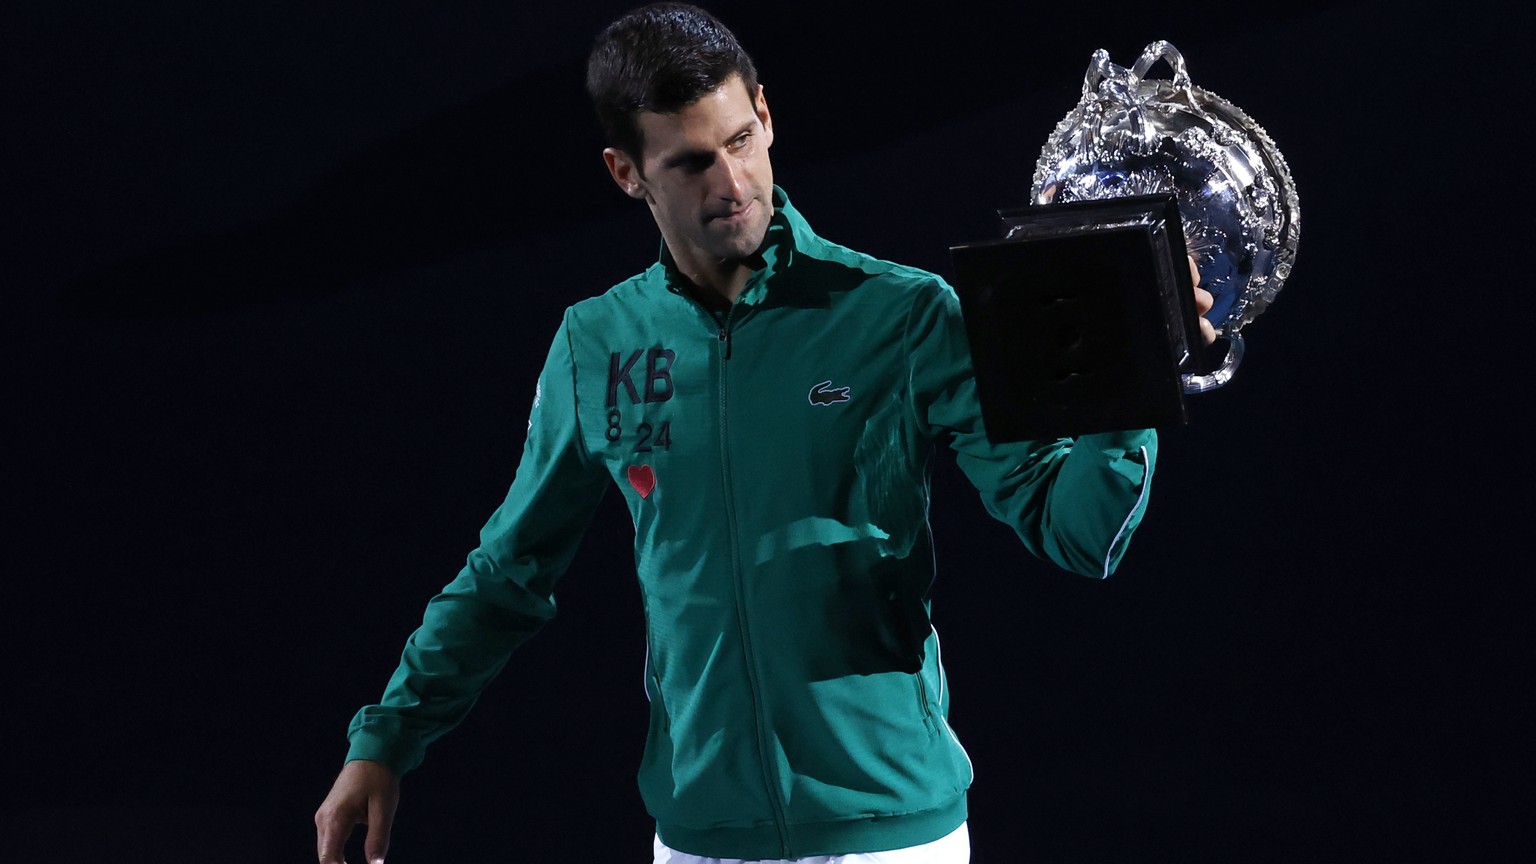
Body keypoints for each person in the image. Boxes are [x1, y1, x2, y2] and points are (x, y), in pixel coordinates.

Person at [314, 5, 1216, 863]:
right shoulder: (597, 344)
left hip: (893, 836)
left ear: (767, 114)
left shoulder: (899, 315)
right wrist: (387, 737)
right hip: (702, 836)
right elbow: (508, 573)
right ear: (626, 173)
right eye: (691, 163)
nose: (732, 183)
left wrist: (1131, 383)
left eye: (741, 141)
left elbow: (1078, 531)